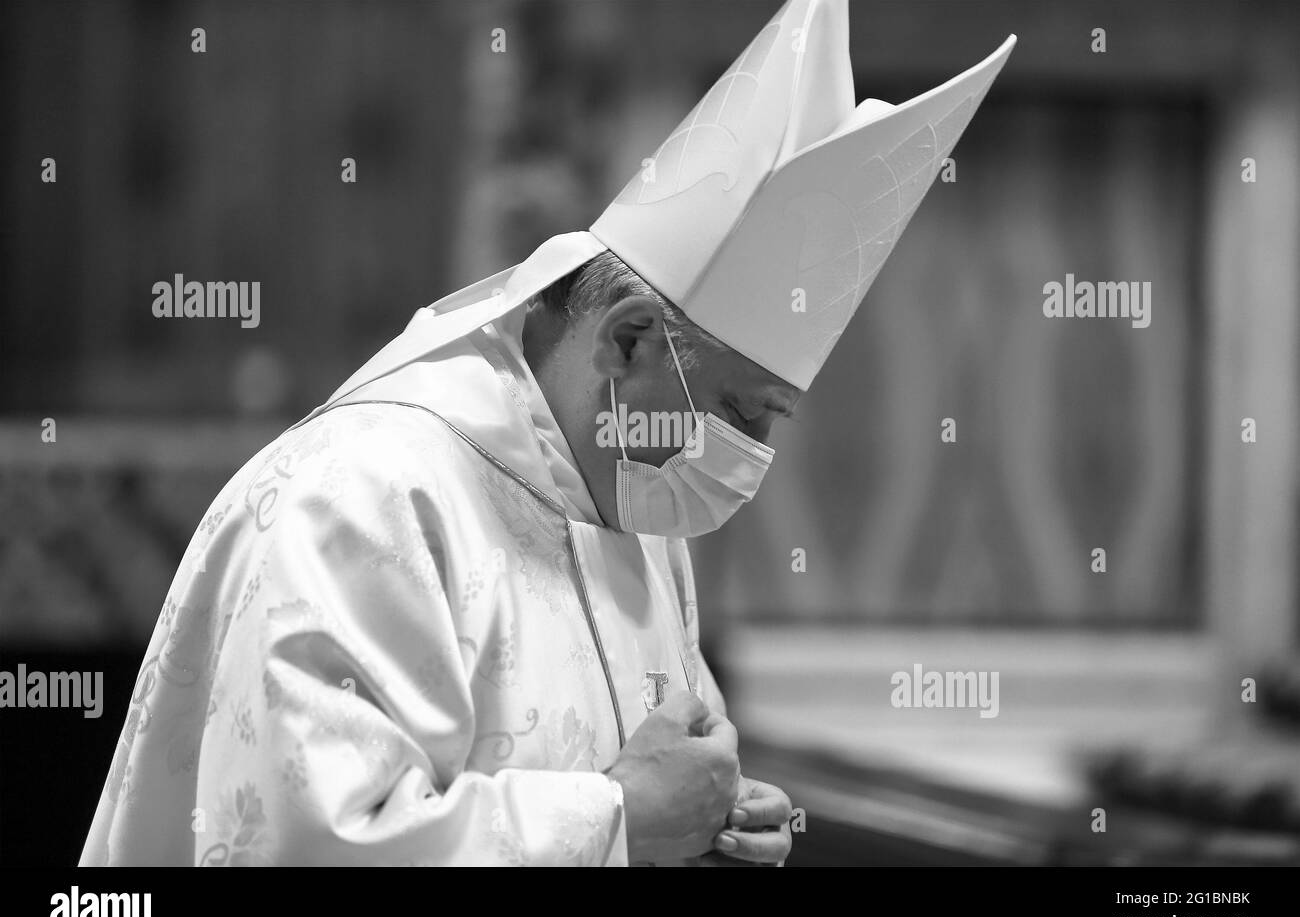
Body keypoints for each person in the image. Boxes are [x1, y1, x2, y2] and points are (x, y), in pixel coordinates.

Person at [80, 0, 1014, 866]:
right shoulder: (357, 503)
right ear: (628, 340)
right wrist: (615, 821)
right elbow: (313, 842)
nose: (749, 461)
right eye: (740, 412)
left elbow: (645, 771)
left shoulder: (634, 506)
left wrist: (711, 817)